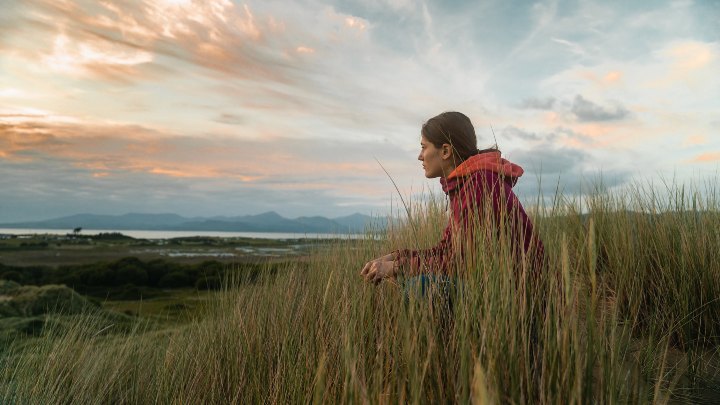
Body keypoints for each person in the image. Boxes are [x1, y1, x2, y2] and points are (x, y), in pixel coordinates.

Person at [360, 111, 544, 285]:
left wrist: (397, 267)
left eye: (424, 147)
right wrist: (397, 257)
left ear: (445, 151)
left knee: (422, 287)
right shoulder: (466, 185)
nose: (419, 156)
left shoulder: (480, 185)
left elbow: (460, 263)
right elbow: (447, 250)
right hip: (501, 286)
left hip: (522, 294)